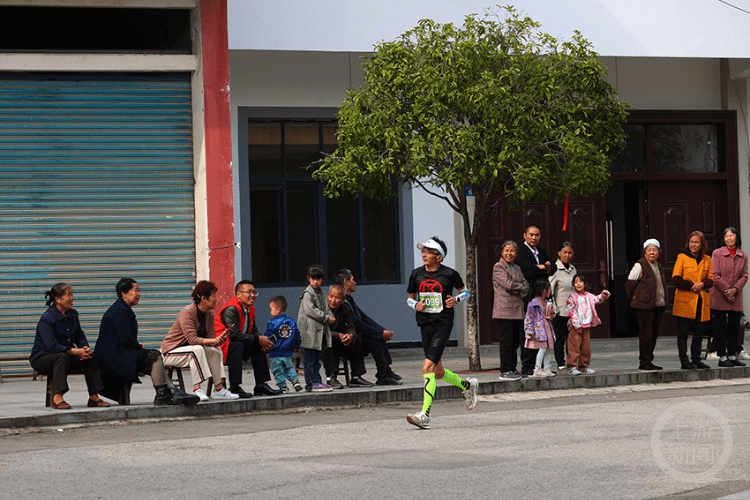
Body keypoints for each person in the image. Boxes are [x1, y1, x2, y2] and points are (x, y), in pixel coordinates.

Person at [406, 237, 478, 429]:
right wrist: (416, 305)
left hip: (443, 324)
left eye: (428, 252)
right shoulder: (416, 274)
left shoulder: (449, 274)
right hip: (424, 324)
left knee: (426, 368)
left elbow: (467, 292)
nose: (424, 254)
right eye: (423, 251)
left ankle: (424, 415)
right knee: (437, 371)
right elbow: (409, 299)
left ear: (439, 256)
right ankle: (468, 386)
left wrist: (456, 300)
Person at [96, 278, 199, 406]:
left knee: (153, 357)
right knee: (154, 356)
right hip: (113, 359)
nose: (139, 294)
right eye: (136, 291)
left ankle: (171, 391)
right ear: (124, 293)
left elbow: (124, 338)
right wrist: (138, 347)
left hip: (117, 355)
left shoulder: (121, 308)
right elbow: (125, 338)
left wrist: (137, 347)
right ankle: (165, 393)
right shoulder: (120, 311)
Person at [29, 283, 109, 410]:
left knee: (90, 356)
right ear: (58, 299)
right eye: (69, 295)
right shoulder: (47, 319)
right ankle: (57, 397)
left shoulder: (73, 315)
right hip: (42, 357)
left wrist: (84, 349)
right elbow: (52, 347)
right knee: (61, 356)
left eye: (72, 294)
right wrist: (75, 352)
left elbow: (80, 336)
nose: (72, 298)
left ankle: (94, 396)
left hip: (65, 355)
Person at [161, 281, 239, 401]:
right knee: (196, 349)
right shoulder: (187, 312)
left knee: (215, 350)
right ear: (204, 299)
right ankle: (197, 389)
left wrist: (219, 341)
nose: (216, 299)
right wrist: (213, 340)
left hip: (190, 350)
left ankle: (219, 389)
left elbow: (210, 340)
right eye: (213, 296)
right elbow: (192, 340)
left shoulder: (209, 314)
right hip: (171, 352)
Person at [334, 269, 402, 385]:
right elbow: (357, 323)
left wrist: (382, 330)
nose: (355, 282)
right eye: (353, 279)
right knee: (376, 338)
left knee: (378, 337)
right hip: (347, 340)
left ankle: (384, 372)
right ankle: (382, 374)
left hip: (357, 337)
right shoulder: (341, 301)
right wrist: (379, 333)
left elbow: (364, 318)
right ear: (346, 282)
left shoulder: (349, 299)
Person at [215, 280, 281, 398]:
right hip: (222, 346)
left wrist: (263, 340)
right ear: (238, 294)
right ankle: (234, 387)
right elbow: (233, 335)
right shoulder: (231, 309)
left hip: (237, 344)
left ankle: (261, 385)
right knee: (237, 345)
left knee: (258, 345)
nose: (253, 295)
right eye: (249, 292)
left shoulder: (250, 309)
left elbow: (254, 331)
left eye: (254, 292)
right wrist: (258, 338)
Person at [515, 224, 556, 376]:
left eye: (537, 235)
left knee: (544, 331)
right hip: (529, 297)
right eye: (531, 234)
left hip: (544, 297)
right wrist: (542, 268)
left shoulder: (541, 251)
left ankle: (543, 366)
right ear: (524, 235)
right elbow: (529, 271)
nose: (534, 238)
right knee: (529, 331)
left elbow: (553, 267)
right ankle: (528, 366)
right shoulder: (521, 252)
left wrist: (543, 267)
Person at [672, 231, 713, 371]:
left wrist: (702, 284)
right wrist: (692, 286)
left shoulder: (707, 259)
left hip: (701, 300)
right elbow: (676, 279)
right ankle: (684, 361)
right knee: (683, 333)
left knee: (698, 332)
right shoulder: (682, 257)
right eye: (691, 242)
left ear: (702, 244)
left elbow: (711, 279)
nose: (693, 244)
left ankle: (697, 359)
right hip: (685, 300)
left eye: (697, 242)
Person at [626, 239, 668, 373]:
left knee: (654, 333)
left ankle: (649, 360)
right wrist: (637, 298)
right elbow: (630, 283)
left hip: (657, 304)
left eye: (654, 250)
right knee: (646, 334)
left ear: (659, 252)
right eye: (649, 250)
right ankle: (644, 362)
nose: (652, 252)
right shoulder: (640, 265)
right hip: (644, 306)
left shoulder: (658, 266)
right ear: (645, 252)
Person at [710, 227, 748, 368]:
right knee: (721, 327)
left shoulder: (743, 256)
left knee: (734, 327)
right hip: (720, 295)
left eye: (732, 236)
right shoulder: (717, 253)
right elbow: (715, 275)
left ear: (737, 238)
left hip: (735, 296)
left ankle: (732, 356)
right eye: (727, 236)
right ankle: (722, 357)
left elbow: (744, 275)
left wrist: (734, 290)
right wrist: (728, 290)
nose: (729, 238)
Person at [323, 284, 374, 388]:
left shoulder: (345, 308)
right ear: (327, 295)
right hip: (323, 344)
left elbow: (351, 326)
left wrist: (350, 335)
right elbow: (320, 330)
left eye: (337, 298)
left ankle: (356, 377)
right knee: (328, 342)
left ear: (343, 299)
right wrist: (338, 335)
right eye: (331, 296)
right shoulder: (321, 308)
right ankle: (331, 378)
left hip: (340, 342)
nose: (333, 300)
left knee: (357, 340)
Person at [493, 240, 530, 380]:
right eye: (507, 250)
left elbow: (526, 287)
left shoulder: (518, 268)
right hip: (505, 309)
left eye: (512, 250)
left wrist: (518, 288)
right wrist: (518, 286)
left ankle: (513, 368)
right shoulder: (498, 267)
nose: (509, 253)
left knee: (515, 342)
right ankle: (505, 370)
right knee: (506, 341)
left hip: (517, 310)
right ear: (502, 252)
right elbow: (508, 285)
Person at [298, 265, 334, 392]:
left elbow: (327, 308)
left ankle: (317, 381)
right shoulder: (308, 294)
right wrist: (326, 318)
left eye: (318, 279)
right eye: (313, 278)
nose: (315, 281)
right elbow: (311, 310)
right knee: (310, 360)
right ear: (308, 278)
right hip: (309, 333)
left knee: (317, 360)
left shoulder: (322, 294)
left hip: (318, 334)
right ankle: (311, 384)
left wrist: (330, 316)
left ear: (322, 279)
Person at [566, 274, 610, 375]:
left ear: (585, 284)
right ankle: (571, 367)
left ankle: (583, 366)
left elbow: (597, 299)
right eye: (576, 282)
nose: (578, 284)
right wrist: (577, 325)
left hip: (586, 326)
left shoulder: (588, 296)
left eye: (580, 281)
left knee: (586, 348)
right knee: (574, 347)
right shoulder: (572, 297)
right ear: (573, 285)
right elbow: (571, 312)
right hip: (575, 327)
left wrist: (604, 295)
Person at [265, 295, 303, 393]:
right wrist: (297, 346)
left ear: (277, 309)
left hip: (275, 352)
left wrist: (265, 345)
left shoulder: (272, 322)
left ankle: (283, 387)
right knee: (289, 368)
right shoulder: (291, 322)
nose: (270, 311)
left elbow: (268, 336)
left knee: (277, 371)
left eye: (271, 309)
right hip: (287, 352)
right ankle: (295, 381)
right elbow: (297, 335)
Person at [549, 242, 577, 373]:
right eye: (564, 252)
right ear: (559, 253)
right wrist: (553, 309)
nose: (567, 255)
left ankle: (572, 363)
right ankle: (560, 363)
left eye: (570, 252)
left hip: (573, 312)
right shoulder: (555, 269)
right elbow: (550, 291)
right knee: (560, 339)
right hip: (560, 311)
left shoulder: (573, 269)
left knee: (572, 340)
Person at [525, 279, 556, 378]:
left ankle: (546, 368)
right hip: (539, 329)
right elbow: (529, 317)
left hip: (546, 326)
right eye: (549, 290)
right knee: (542, 348)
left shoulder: (546, 302)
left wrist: (551, 315)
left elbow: (547, 316)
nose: (550, 292)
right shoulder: (533, 303)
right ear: (544, 291)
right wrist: (529, 330)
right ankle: (537, 369)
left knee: (548, 348)